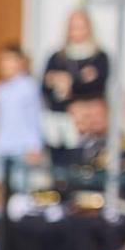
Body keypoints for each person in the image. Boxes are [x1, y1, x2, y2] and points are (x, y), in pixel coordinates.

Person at [42, 8, 108, 150]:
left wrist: (70, 82)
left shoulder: (99, 57)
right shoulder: (57, 58)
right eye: (73, 27)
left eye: (81, 27)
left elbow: (97, 86)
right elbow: (45, 87)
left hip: (89, 127)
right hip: (61, 125)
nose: (77, 31)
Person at [0, 43, 43, 197]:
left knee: (19, 189)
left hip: (21, 147)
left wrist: (35, 146)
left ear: (20, 62)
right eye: (3, 60)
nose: (5, 64)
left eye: (10, 59)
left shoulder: (29, 87)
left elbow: (34, 118)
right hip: (1, 145)